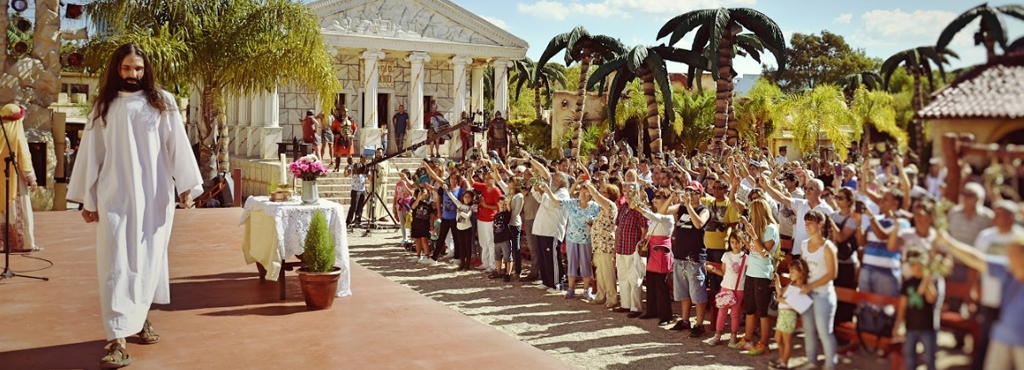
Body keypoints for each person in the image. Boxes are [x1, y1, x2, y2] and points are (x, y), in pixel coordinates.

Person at [67, 43, 203, 369]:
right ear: (117, 69)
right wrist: (88, 198)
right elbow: (91, 154)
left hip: (155, 198)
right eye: (127, 68)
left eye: (138, 69)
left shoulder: (162, 102)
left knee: (147, 261)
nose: (133, 75)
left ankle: (139, 319)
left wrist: (186, 188)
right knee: (115, 264)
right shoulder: (105, 106)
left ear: (147, 69)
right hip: (115, 198)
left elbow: (177, 147)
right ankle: (116, 340)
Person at [936, 226, 1024, 370]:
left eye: (1012, 256)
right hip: (1001, 338)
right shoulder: (1007, 270)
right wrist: (948, 242)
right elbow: (976, 259)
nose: (1008, 259)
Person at [893, 248, 944, 370]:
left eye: (916, 264)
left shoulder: (932, 280)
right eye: (911, 264)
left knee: (929, 359)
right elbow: (903, 305)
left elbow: (931, 298)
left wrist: (927, 282)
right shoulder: (908, 282)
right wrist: (898, 324)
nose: (913, 267)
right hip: (910, 328)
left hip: (927, 328)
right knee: (909, 358)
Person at [0, 104, 39, 253]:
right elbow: (24, 157)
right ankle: (23, 243)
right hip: (14, 180)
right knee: (19, 210)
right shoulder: (17, 133)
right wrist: (31, 179)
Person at [770, 259, 809, 370]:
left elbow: (791, 301)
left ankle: (784, 364)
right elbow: (781, 293)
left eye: (793, 271)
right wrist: (777, 282)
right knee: (778, 339)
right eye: (789, 271)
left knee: (786, 340)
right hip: (782, 315)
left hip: (789, 316)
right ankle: (783, 359)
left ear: (801, 272)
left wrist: (781, 299)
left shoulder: (801, 288)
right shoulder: (791, 284)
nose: (790, 274)